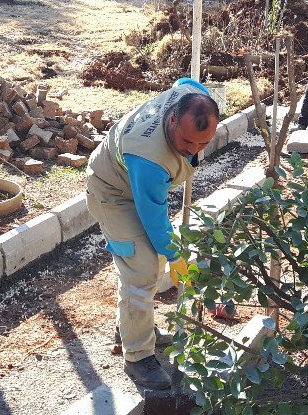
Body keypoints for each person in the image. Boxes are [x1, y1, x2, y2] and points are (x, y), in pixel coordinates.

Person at [86, 77, 219, 390]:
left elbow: (185, 80)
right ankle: (137, 357)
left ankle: (131, 327)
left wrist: (173, 255)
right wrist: (177, 257)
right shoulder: (149, 159)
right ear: (172, 119)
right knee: (143, 268)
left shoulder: (193, 97)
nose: (193, 151)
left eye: (203, 144)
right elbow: (154, 219)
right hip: (112, 192)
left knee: (150, 263)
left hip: (134, 184)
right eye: (187, 143)